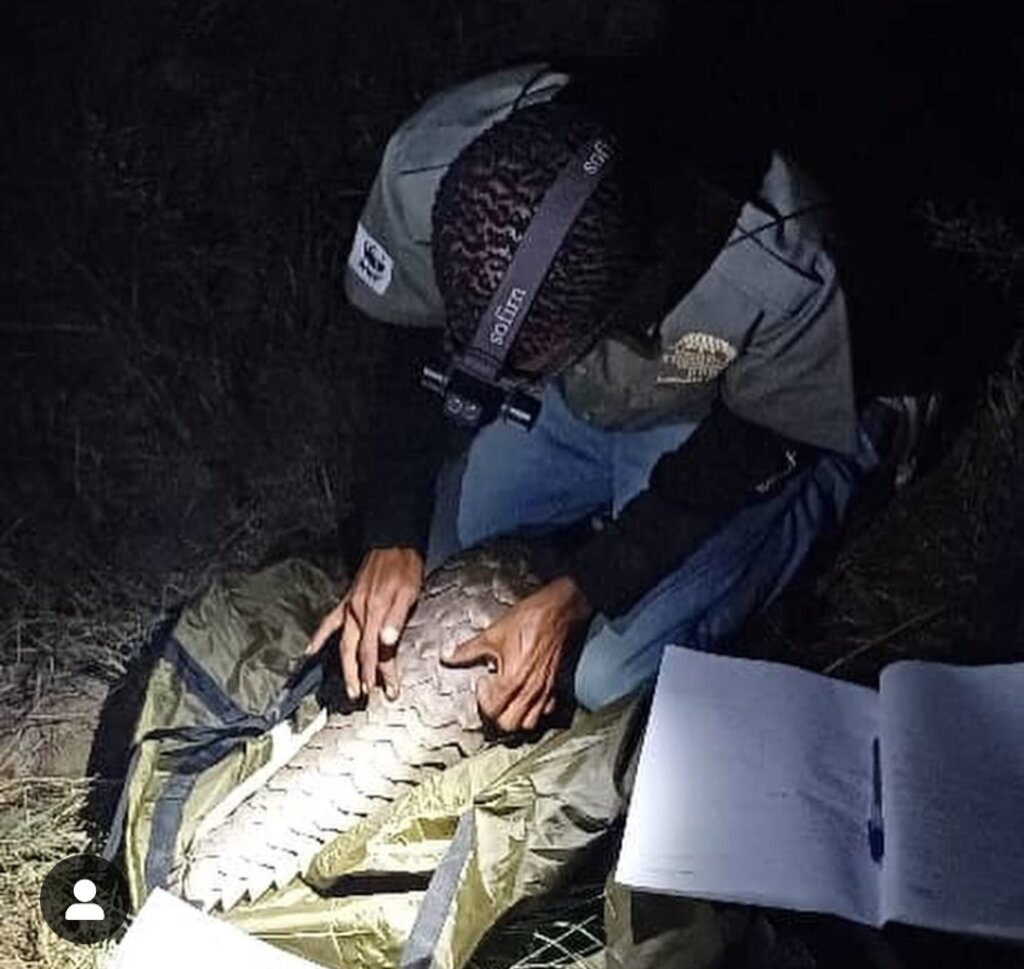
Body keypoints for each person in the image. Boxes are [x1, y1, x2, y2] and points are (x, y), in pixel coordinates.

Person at [307, 61, 904, 732]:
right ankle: (585, 502)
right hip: (586, 394)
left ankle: (858, 451)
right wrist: (392, 531)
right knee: (449, 547)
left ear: (617, 309)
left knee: (607, 674)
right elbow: (410, 341)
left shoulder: (774, 271)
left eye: (519, 363)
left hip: (725, 412)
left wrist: (581, 590)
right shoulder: (431, 165)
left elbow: (742, 451)